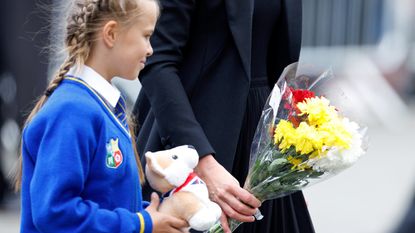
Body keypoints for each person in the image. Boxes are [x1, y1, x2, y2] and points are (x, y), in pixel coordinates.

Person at [133, 0, 315, 232]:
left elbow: (279, 66)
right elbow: (158, 62)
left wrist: (287, 173)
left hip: (262, 145)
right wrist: (201, 161)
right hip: (196, 144)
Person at [13, 0, 188, 232]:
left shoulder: (102, 104)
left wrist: (158, 215)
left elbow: (106, 201)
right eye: (146, 36)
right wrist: (139, 224)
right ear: (111, 34)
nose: (150, 49)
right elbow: (55, 213)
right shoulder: (71, 111)